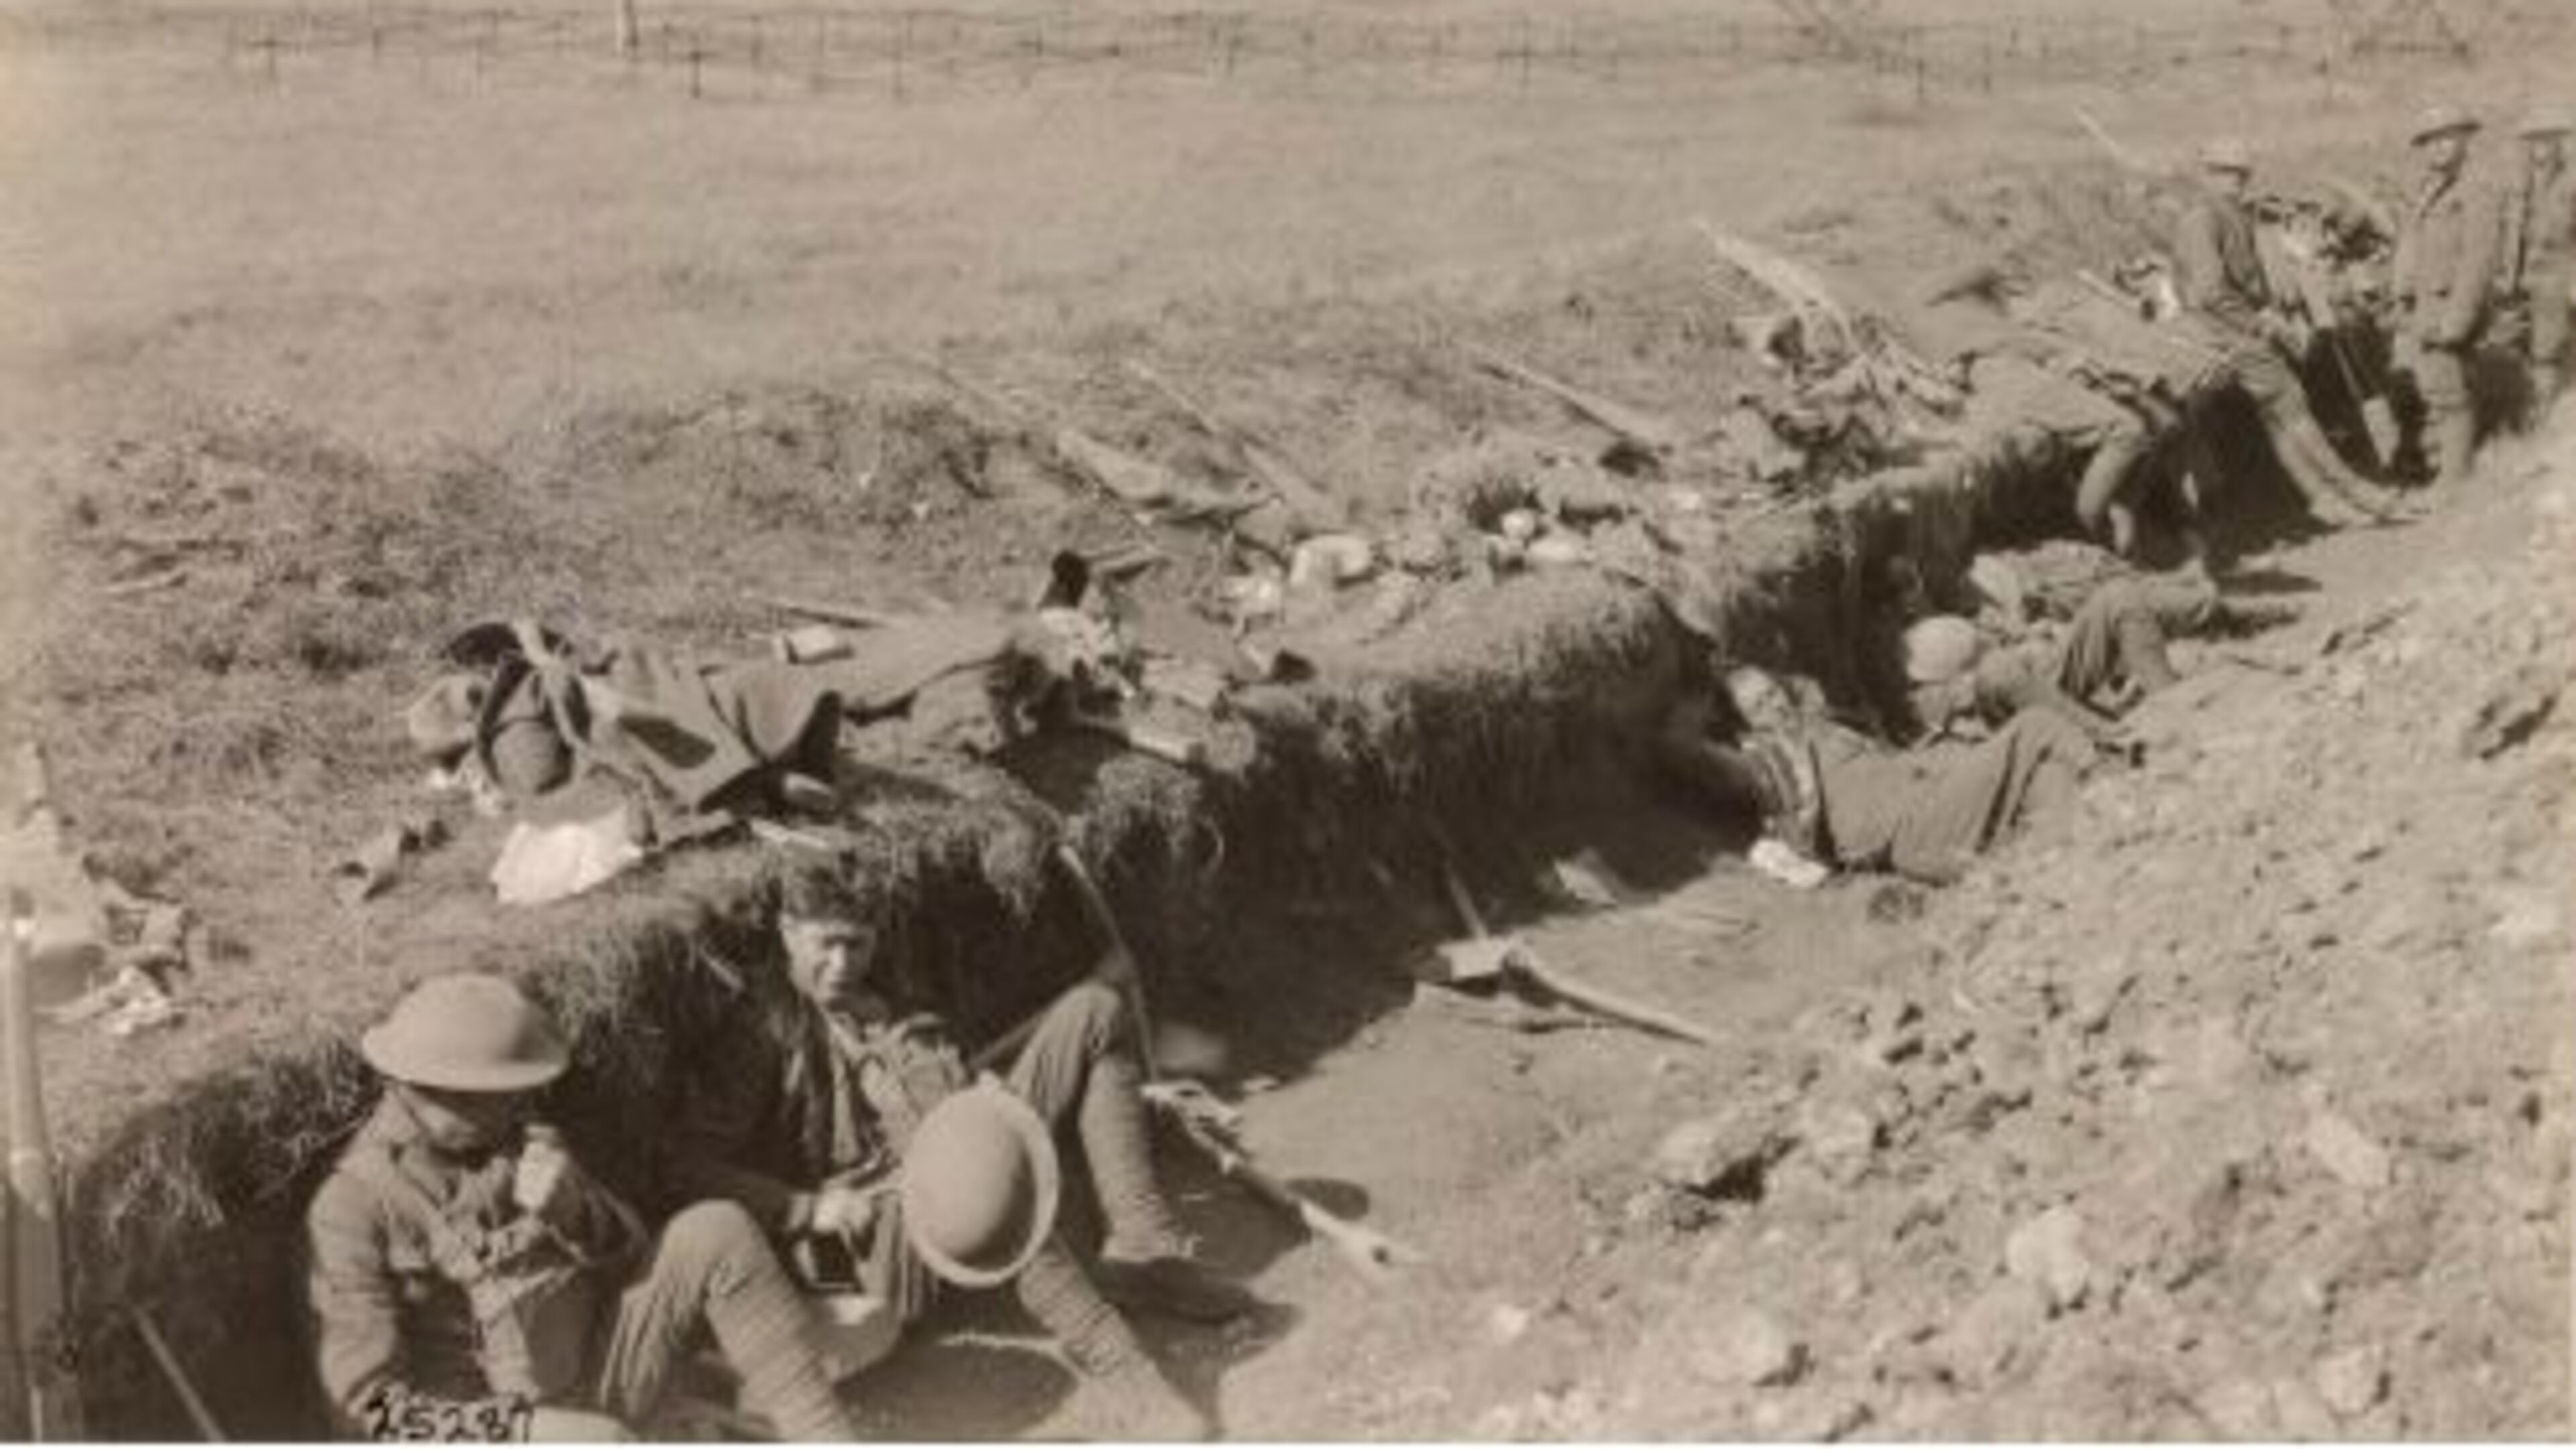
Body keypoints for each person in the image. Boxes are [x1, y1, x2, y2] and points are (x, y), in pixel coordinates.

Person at [667, 861, 1250, 1440]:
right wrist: (807, 1207)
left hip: (949, 1148)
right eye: (827, 944)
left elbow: (942, 1078)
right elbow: (684, 1166)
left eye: (858, 944)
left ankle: (1143, 1247)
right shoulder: (763, 1030)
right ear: (789, 931)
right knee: (975, 1176)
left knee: (1097, 1012)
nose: (843, 965)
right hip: (869, 1238)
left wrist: (973, 1088)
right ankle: (1129, 1375)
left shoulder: (883, 990)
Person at [305, 974, 856, 1442]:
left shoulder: (510, 1136)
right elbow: (371, 1415)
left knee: (716, 1230)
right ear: (424, 1089)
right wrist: (526, 1431)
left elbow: (631, 1257)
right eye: (499, 1097)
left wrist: (575, 1211)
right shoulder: (352, 1208)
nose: (518, 1109)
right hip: (495, 1431)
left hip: (594, 1377)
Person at [1660, 663, 2102, 888]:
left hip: (1938, 807)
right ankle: (2122, 774)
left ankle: (2080, 867)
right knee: (2034, 725)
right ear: (1746, 725)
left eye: (1773, 692)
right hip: (1912, 831)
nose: (1774, 705)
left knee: (2047, 780)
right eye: (1758, 705)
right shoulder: (1768, 760)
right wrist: (1695, 705)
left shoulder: (1823, 728)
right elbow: (1694, 755)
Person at [2173, 137, 2414, 525]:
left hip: (2235, 326)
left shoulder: (2230, 213)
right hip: (2222, 332)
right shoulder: (2203, 218)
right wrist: (2261, 323)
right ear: (2207, 176)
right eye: (2224, 173)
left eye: (2240, 173)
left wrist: (2265, 312)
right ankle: (2358, 494)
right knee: (2291, 405)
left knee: (2280, 413)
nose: (2234, 180)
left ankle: (2326, 501)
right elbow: (2210, 292)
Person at [1894, 574, 2226, 743]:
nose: (1909, 593)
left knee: (2117, 594)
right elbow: (1943, 719)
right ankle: (2114, 738)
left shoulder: (1944, 597)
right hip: (2008, 711)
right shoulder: (1914, 677)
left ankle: (2171, 700)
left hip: (2031, 678)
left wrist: (2029, 638)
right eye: (1902, 589)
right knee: (2000, 669)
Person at [2392, 105, 2504, 488]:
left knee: (2450, 389)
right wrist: (2401, 291)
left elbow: (2479, 259)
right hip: (2425, 302)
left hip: (2449, 304)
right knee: (2434, 386)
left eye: (2446, 137)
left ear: (2464, 139)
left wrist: (2459, 317)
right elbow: (2412, 244)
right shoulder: (2430, 189)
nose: (2437, 147)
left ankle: (2456, 479)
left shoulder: (2476, 188)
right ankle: (2447, 465)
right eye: (2429, 141)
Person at [2497, 106, 2574, 418]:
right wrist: (2506, 272)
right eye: (2535, 142)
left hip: (2558, 269)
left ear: (2559, 144)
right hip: (2521, 273)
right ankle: (2525, 395)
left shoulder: (2570, 183)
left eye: (2548, 141)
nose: (2541, 149)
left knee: (2547, 343)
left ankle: (2544, 407)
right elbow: (2509, 228)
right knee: (2517, 339)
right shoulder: (2519, 183)